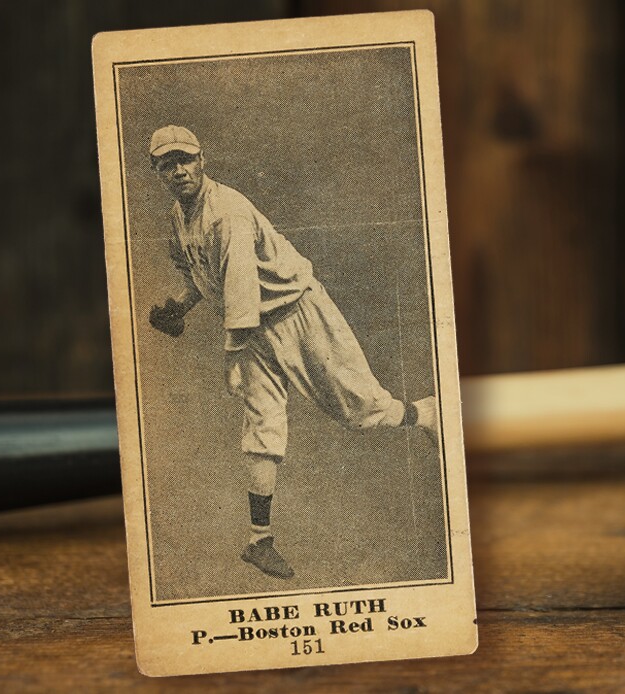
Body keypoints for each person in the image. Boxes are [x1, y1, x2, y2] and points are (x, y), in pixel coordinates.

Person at [145, 125, 437, 579]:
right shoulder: (178, 218)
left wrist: (232, 358)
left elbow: (241, 290)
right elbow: (204, 276)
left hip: (297, 313)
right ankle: (259, 539)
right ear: (158, 173)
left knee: (360, 411)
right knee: (262, 428)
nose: (179, 169)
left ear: (203, 160)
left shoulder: (228, 213)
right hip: (253, 330)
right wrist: (180, 307)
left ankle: (427, 414)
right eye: (168, 163)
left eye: (185, 159)